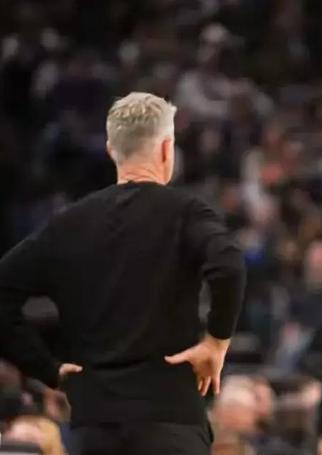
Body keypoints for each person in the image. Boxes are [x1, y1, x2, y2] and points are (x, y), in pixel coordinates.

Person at [0, 92, 246, 454]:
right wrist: (216, 341)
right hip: (170, 422)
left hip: (96, 428)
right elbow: (228, 263)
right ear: (167, 149)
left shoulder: (68, 224)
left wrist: (45, 368)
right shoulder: (186, 212)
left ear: (111, 150)